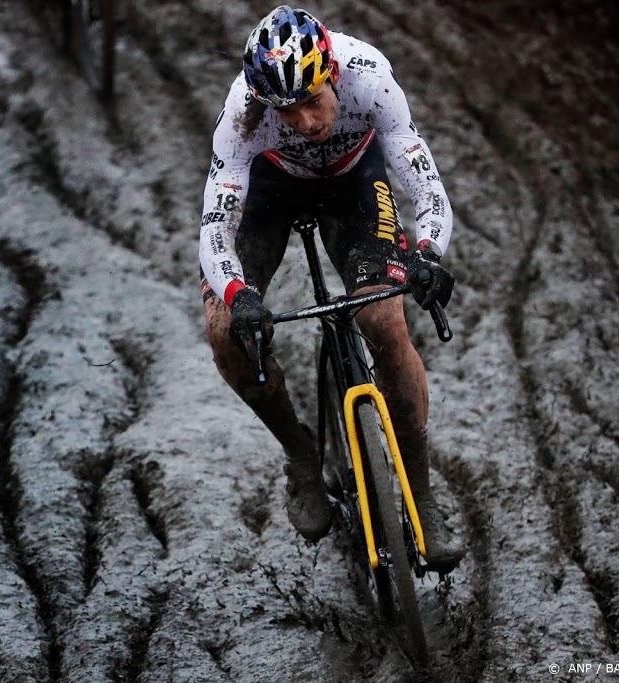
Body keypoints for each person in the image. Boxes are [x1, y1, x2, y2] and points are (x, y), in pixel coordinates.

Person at [199, 5, 465, 571]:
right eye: (287, 111)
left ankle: (420, 494)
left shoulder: (369, 77)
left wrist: (427, 255)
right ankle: (300, 455)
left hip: (353, 184)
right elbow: (216, 228)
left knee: (383, 320)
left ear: (333, 76)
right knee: (225, 333)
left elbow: (428, 192)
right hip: (271, 192)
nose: (305, 122)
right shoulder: (242, 115)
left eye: (313, 101)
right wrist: (239, 296)